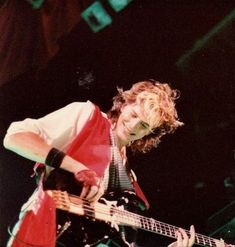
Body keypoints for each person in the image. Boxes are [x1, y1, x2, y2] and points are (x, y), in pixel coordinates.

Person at [4, 80, 195, 247]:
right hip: (41, 233)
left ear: (149, 134)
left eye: (144, 126)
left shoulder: (129, 179)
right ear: (124, 104)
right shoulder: (87, 116)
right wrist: (77, 167)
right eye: (135, 114)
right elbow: (15, 137)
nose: (134, 126)